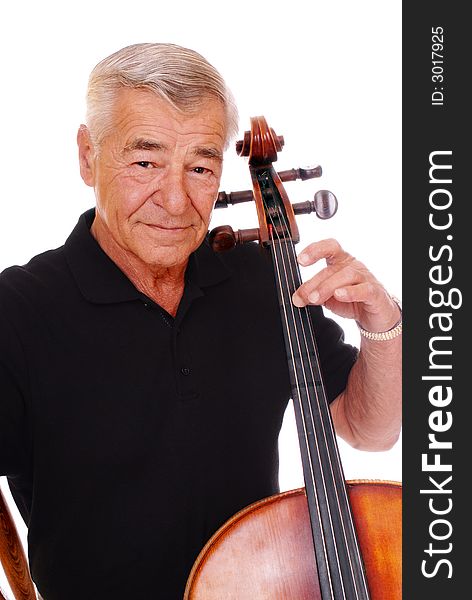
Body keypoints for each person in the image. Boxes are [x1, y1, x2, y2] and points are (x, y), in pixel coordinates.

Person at [0, 43, 401, 599]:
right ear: (89, 156)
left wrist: (384, 327)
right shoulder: (18, 310)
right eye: (145, 162)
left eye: (200, 166)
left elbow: (371, 431)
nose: (175, 199)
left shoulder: (263, 279)